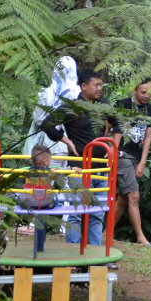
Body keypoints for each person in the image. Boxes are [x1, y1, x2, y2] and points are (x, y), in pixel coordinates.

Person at [41, 67, 121, 246]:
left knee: (97, 213)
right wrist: (67, 141)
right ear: (83, 86)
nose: (100, 88)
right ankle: (73, 254)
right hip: (80, 167)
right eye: (96, 85)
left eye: (101, 84)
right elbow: (47, 124)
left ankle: (94, 254)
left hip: (102, 166)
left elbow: (118, 123)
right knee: (76, 212)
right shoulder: (72, 107)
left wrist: (113, 149)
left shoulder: (103, 105)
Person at [111, 78, 151, 246]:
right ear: (134, 91)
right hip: (122, 155)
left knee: (123, 199)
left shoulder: (149, 109)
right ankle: (141, 238)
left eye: (149, 92)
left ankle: (105, 234)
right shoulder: (122, 105)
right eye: (143, 92)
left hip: (136, 158)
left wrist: (143, 162)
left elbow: (148, 137)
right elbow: (109, 125)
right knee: (134, 196)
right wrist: (109, 149)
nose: (147, 96)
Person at [24, 56, 81, 168]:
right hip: (74, 144)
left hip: (50, 144)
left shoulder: (47, 93)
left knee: (50, 178)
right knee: (70, 180)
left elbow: (38, 118)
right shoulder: (79, 93)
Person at [20, 145, 58, 252]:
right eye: (50, 159)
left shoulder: (28, 172)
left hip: (28, 203)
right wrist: (72, 169)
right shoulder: (50, 172)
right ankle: (40, 246)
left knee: (21, 193)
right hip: (45, 204)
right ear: (45, 161)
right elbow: (61, 174)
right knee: (54, 196)